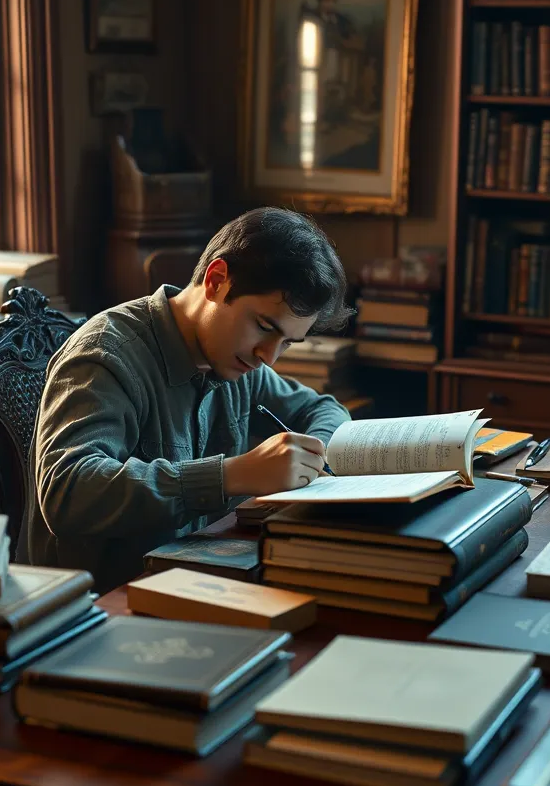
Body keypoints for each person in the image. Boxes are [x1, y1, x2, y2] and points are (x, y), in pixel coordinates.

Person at [19, 207, 353, 594]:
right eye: (264, 327)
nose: (269, 356)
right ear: (216, 280)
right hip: (102, 608)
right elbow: (68, 490)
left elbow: (323, 409)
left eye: (287, 343)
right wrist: (232, 475)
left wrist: (312, 453)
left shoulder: (239, 359)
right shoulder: (105, 356)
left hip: (197, 582)